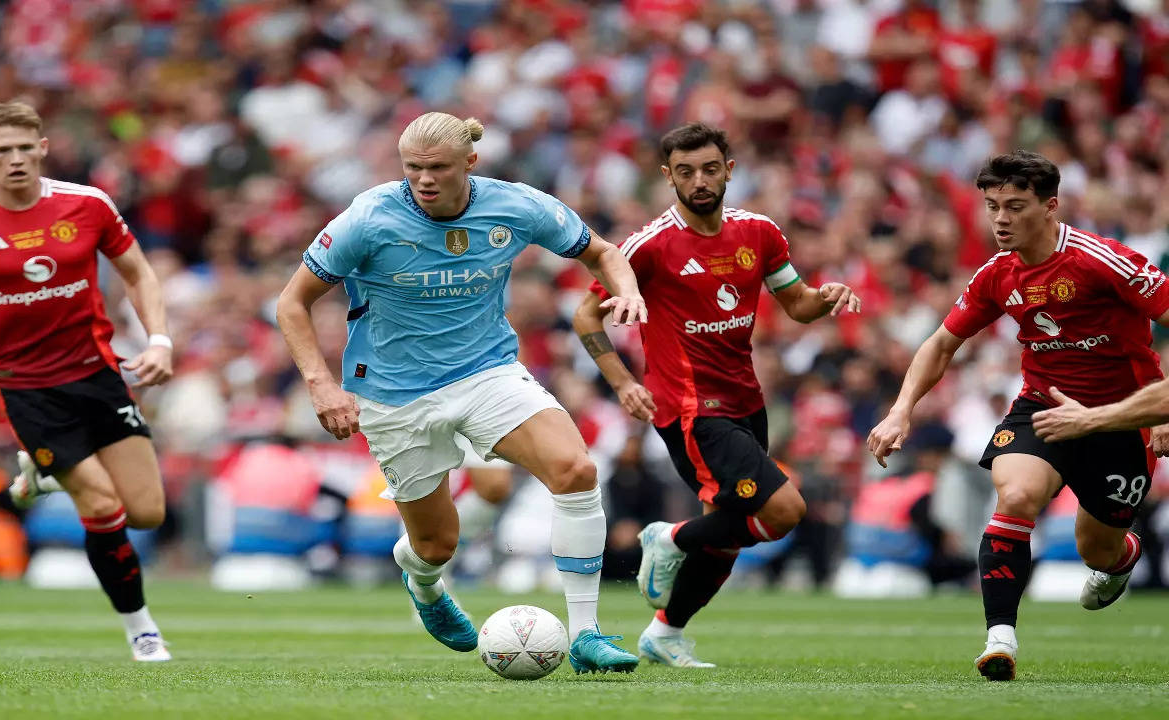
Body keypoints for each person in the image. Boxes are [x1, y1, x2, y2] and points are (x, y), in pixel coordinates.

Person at [275, 112, 645, 674]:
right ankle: (424, 585)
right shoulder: (369, 217)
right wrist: (322, 385)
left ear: (470, 163)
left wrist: (628, 293)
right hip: (395, 394)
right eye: (413, 168)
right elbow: (291, 303)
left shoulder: (516, 205)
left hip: (487, 372)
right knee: (435, 545)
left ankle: (586, 633)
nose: (423, 179)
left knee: (574, 469)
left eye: (437, 168)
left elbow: (603, 251)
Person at [867, 150, 1169, 681]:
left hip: (1123, 415)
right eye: (992, 206)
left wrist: (1160, 409)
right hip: (1043, 407)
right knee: (1016, 495)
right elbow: (940, 345)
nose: (1001, 219)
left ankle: (1119, 559)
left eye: (1015, 206)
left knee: (1095, 547)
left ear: (1050, 206)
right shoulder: (996, 275)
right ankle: (999, 639)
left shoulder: (1103, 261)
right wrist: (900, 411)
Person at [573, 122, 861, 668]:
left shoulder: (760, 233)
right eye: (685, 172)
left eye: (709, 168)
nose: (699, 180)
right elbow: (586, 314)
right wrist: (623, 381)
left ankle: (665, 633)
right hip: (688, 407)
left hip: (746, 401)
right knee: (784, 510)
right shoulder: (649, 245)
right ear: (668, 177)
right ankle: (671, 538)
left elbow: (796, 303)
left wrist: (826, 297)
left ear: (730, 168)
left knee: (728, 533)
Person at [0, 102, 175, 661]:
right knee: (103, 508)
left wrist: (158, 340)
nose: (15, 160)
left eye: (24, 148)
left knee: (148, 512)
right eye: (1, 151)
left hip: (99, 375)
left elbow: (138, 272)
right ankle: (142, 631)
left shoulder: (87, 204)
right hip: (26, 388)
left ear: (43, 148)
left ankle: (43, 471)